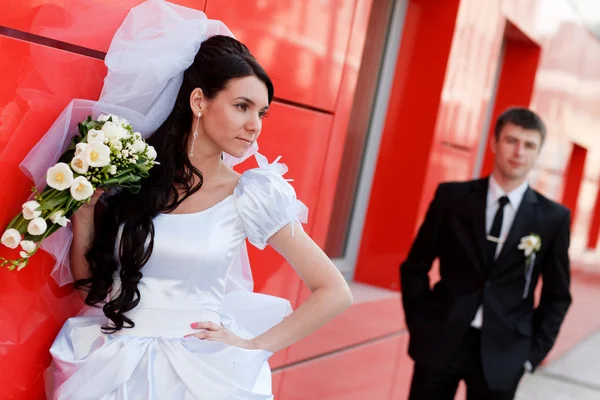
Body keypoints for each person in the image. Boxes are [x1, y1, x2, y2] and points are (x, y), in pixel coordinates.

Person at [44, 2, 352, 399]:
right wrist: (85, 212)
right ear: (198, 102)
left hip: (198, 373)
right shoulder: (132, 181)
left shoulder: (250, 194)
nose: (254, 125)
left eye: (262, 112)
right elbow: (92, 291)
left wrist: (254, 347)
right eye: (242, 106)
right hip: (112, 363)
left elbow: (333, 290)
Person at [400, 107, 572, 400]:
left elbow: (557, 295)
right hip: (441, 339)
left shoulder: (553, 218)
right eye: (511, 140)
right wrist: (420, 325)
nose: (519, 152)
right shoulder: (451, 198)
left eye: (529, 145)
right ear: (494, 143)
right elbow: (415, 266)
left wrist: (531, 355)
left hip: (505, 352)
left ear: (538, 152)